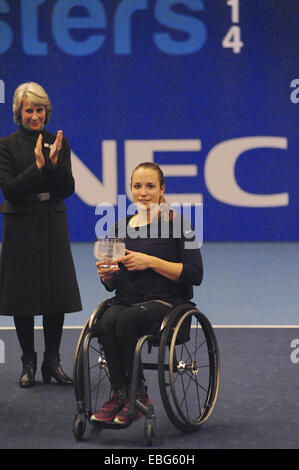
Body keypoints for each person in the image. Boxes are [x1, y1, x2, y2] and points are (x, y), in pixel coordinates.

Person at [90, 162, 203, 425]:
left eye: (150, 186)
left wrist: (150, 261)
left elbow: (194, 274)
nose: (143, 192)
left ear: (162, 189)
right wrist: (108, 276)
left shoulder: (179, 225)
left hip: (167, 304)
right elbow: (115, 280)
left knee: (126, 320)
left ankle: (138, 395)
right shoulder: (119, 228)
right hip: (127, 300)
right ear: (130, 190)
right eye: (137, 186)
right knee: (105, 321)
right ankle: (119, 393)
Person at [0, 82, 82, 388]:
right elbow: (9, 190)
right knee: (23, 297)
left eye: (39, 110)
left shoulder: (58, 142)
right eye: (28, 110)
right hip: (20, 224)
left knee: (55, 295)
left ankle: (52, 362)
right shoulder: (5, 146)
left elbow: (66, 189)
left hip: (52, 222)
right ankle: (28, 363)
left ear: (46, 112)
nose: (34, 116)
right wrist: (37, 167)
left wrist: (52, 166)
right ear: (18, 113)